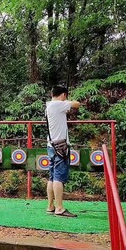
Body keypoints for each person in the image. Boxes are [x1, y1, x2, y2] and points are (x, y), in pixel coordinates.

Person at [46, 85, 80, 217]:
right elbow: (77, 104)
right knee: (59, 178)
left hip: (51, 145)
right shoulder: (59, 104)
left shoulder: (49, 105)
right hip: (60, 147)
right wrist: (67, 102)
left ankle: (50, 206)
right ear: (64, 95)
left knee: (52, 176)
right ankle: (59, 208)